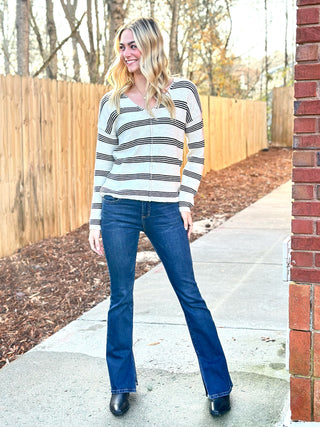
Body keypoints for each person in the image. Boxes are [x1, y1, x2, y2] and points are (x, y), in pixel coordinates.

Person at [88, 17, 233, 418]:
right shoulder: (112, 102)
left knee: (191, 296)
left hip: (168, 209)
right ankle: (121, 384)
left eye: (132, 45)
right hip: (119, 206)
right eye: (122, 47)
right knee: (121, 298)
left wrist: (185, 201)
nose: (126, 54)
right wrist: (95, 219)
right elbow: (103, 163)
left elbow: (198, 150)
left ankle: (218, 385)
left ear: (151, 45)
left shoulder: (183, 92)